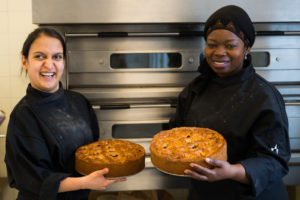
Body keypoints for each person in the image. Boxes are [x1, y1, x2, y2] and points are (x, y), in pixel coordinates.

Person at [169, 5, 290, 200]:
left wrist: (232, 171)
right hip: (204, 193)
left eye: (230, 45)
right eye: (212, 44)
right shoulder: (195, 89)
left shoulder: (264, 96)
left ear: (247, 47)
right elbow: (177, 135)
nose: (219, 52)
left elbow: (274, 162)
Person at [5, 27, 125, 200]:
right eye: (40, 56)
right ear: (24, 61)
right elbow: (31, 179)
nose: (49, 64)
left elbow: (91, 151)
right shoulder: (23, 116)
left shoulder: (79, 102)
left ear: (63, 62)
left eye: (57, 57)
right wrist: (85, 182)